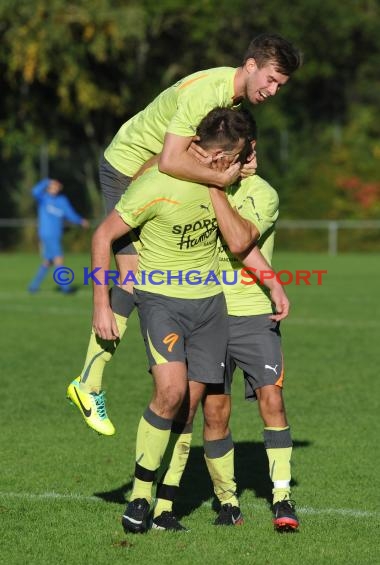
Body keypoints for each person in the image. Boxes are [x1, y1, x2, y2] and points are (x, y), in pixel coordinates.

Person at [67, 33, 302, 433]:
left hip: (149, 169)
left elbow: (199, 152)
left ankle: (98, 378)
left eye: (280, 85)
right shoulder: (207, 94)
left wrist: (239, 159)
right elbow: (174, 160)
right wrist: (224, 174)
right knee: (132, 277)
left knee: (137, 277)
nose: (273, 90)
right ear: (250, 65)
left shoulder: (232, 98)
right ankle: (89, 381)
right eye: (270, 79)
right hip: (129, 169)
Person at [84, 108, 254, 532]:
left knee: (189, 405)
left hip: (210, 306)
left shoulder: (228, 186)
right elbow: (103, 236)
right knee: (171, 391)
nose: (227, 166)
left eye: (231, 160)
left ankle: (165, 505)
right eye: (224, 159)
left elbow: (242, 237)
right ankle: (139, 498)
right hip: (162, 301)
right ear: (206, 151)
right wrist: (101, 305)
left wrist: (225, 180)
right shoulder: (158, 184)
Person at [150, 136, 299, 531]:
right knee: (214, 412)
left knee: (273, 400)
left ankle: (283, 497)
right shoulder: (200, 188)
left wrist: (215, 185)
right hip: (208, 314)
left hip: (253, 316)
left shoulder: (262, 194)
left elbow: (240, 241)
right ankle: (227, 502)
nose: (248, 158)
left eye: (252, 151)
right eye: (239, 153)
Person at [28, 178, 89, 293]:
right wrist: (46, 181)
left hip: (56, 234)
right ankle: (65, 287)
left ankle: (33, 286)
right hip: (47, 234)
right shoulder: (43, 198)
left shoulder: (62, 201)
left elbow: (70, 214)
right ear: (48, 188)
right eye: (52, 187)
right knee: (58, 259)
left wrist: (80, 220)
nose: (54, 189)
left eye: (56, 187)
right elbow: (34, 191)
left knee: (48, 261)